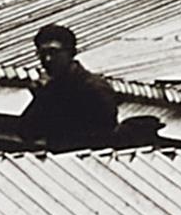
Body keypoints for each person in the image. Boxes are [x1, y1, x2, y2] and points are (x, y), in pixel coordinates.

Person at [17, 21, 124, 149]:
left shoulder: (94, 88)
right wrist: (42, 97)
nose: (47, 59)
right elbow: (27, 132)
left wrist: (48, 96)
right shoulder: (50, 89)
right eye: (42, 53)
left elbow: (102, 134)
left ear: (71, 53)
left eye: (53, 52)